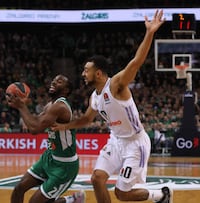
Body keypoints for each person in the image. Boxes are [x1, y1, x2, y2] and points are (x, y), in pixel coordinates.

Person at [52, 10, 172, 203]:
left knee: (122, 194)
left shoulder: (116, 85)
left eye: (86, 70)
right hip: (116, 141)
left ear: (98, 73)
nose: (83, 74)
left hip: (135, 143)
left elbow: (136, 62)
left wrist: (150, 33)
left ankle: (161, 196)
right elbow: (86, 120)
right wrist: (63, 126)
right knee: (97, 179)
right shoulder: (94, 97)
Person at [7, 74, 85, 203]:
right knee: (18, 189)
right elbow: (35, 121)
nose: (54, 82)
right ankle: (71, 200)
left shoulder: (60, 107)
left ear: (66, 90)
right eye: (53, 80)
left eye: (59, 82)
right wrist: (22, 106)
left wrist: (21, 107)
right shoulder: (50, 105)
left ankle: (70, 201)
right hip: (49, 157)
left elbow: (35, 129)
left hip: (64, 166)